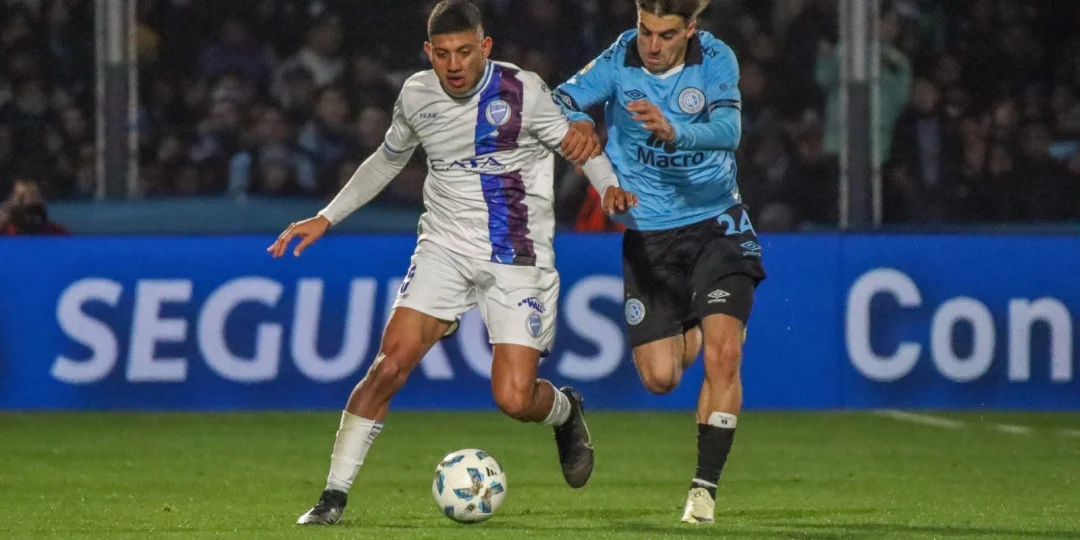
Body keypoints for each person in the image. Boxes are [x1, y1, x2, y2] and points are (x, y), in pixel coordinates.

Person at [267, 0, 637, 526]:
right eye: (442, 54)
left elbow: (580, 146)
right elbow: (388, 159)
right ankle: (333, 497)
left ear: (485, 47)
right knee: (387, 365)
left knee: (514, 398)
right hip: (444, 247)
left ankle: (564, 409)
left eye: (465, 51)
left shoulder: (523, 91)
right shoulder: (416, 95)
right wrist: (327, 217)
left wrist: (609, 187)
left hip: (516, 255)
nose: (454, 64)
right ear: (428, 52)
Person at [553, 0, 766, 524]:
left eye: (666, 35)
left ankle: (703, 491)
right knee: (661, 378)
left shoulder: (715, 58)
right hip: (650, 235)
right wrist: (579, 121)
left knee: (724, 356)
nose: (651, 45)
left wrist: (676, 131)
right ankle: (697, 317)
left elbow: (729, 131)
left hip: (717, 224)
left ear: (689, 29)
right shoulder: (618, 58)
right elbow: (559, 98)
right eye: (645, 31)